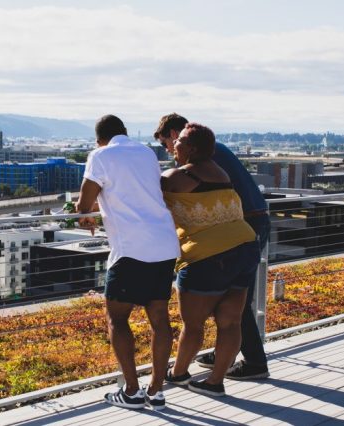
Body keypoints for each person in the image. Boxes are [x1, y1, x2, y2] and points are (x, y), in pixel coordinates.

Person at [154, 113, 270, 380]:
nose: (170, 149)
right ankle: (219, 371)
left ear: (178, 137)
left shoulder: (183, 173)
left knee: (197, 324)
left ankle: (251, 363)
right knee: (230, 314)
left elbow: (152, 195)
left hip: (220, 242)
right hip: (245, 236)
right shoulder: (217, 163)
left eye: (169, 143)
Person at [76, 114, 179, 410]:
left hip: (131, 249)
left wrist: (85, 211)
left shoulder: (100, 155)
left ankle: (132, 391)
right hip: (163, 244)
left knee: (117, 319)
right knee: (159, 319)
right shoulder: (146, 153)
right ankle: (156, 392)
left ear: (99, 139)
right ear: (125, 133)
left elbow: (84, 203)